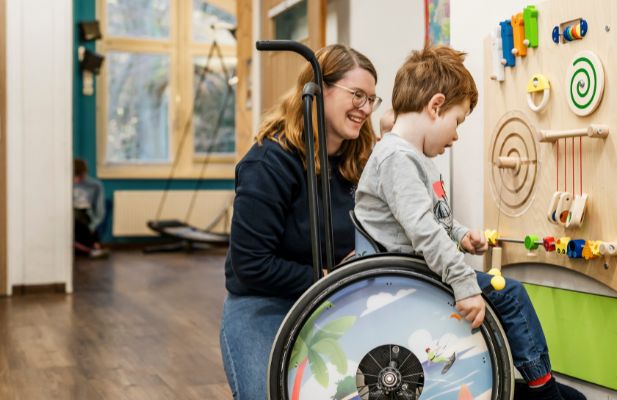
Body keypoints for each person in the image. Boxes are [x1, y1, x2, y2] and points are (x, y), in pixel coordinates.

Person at [354, 46, 585, 400]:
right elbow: (424, 231)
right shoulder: (397, 159)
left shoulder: (412, 157)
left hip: (417, 269)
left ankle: (528, 382)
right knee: (509, 294)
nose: (457, 135)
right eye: (457, 121)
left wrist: (462, 236)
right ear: (435, 106)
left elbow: (433, 221)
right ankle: (544, 389)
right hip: (405, 278)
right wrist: (464, 285)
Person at [219, 44, 380, 400]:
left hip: (338, 300)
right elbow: (250, 266)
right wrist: (327, 278)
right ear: (318, 90)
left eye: (371, 99)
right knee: (268, 394)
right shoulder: (268, 162)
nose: (365, 108)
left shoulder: (362, 161)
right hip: (266, 302)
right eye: (357, 95)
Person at [73, 158, 108, 259]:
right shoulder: (63, 184)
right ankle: (94, 246)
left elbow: (99, 211)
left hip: (86, 217)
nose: (77, 180)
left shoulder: (95, 186)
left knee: (79, 215)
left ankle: (92, 246)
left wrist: (93, 226)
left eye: (80, 176)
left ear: (84, 173)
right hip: (69, 217)